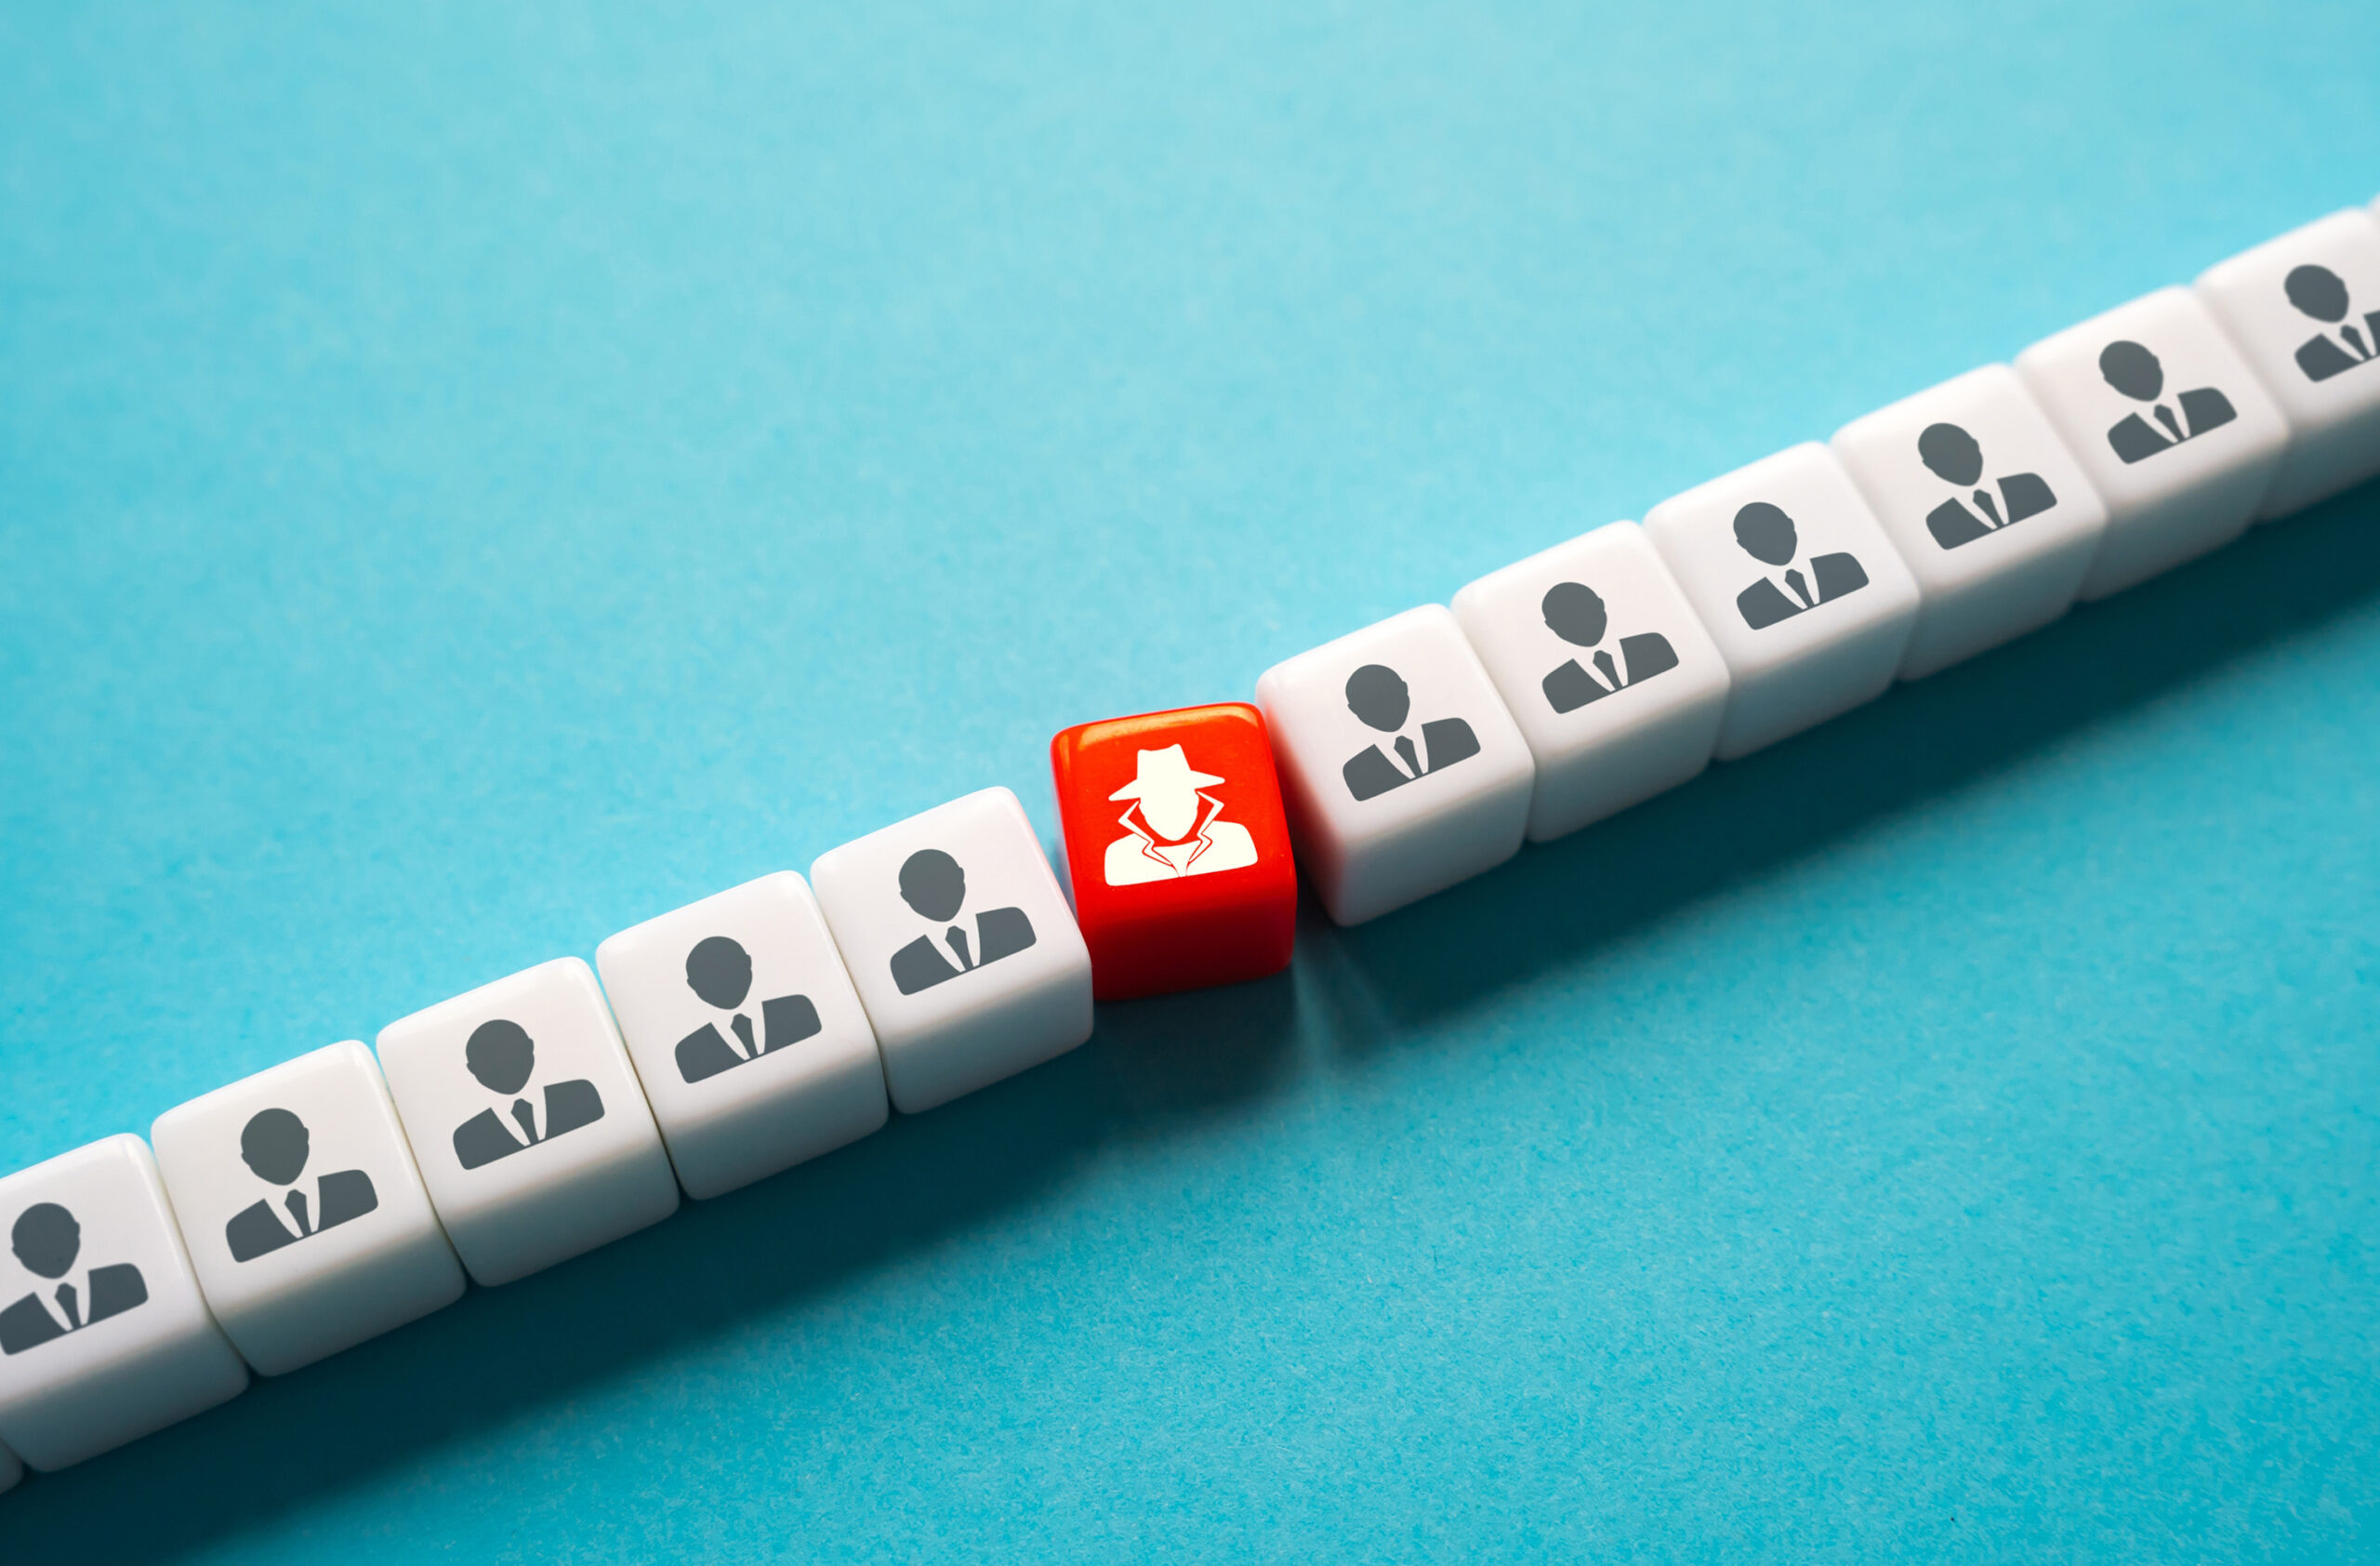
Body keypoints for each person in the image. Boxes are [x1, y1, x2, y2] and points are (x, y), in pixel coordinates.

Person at [224, 1108, 378, 1263]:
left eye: (285, 1141)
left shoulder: (355, 1184)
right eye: (264, 1150)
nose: (278, 1156)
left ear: (305, 1136)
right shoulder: (241, 1230)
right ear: (246, 1159)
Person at [451, 1019, 606, 1171]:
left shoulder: (581, 1094)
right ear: (472, 1069)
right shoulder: (468, 1138)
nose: (502, 1063)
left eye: (509, 1052)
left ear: (530, 1047)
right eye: (487, 1059)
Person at [1102, 744, 1261, 885]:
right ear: (1142, 808)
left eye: (1179, 796)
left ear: (1196, 799)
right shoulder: (1121, 854)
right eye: (1158, 801)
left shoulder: (1233, 837)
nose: (1171, 809)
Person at [1, 1201, 146, 1355]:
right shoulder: (10, 1323)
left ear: (76, 1230)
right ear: (17, 1253)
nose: (50, 1251)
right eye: (35, 1245)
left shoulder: (125, 1278)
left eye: (56, 1237)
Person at [673, 935, 822, 1084]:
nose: (723, 983)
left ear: (748, 963)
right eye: (709, 978)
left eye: (729, 970)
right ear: (692, 985)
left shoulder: (798, 1009)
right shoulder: (689, 1052)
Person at [888, 849, 1037, 995]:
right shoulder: (904, 964)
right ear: (906, 897)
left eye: (943, 881)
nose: (937, 895)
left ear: (960, 875)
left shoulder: (1012, 921)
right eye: (922, 890)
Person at [1340, 663, 1479, 801]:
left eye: (1389, 695)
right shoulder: (1356, 772)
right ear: (1353, 710)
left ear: (1404, 688)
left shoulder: (1455, 731)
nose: (1385, 708)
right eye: (1370, 703)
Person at [1536, 580, 1677, 713]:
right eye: (1567, 618)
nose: (1581, 622)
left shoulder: (1653, 645)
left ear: (1600, 605)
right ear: (1551, 625)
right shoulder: (1556, 685)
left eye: (1585, 611)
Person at [1916, 422, 2056, 550]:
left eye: (1959, 450)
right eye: (1943, 457)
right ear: (1930, 465)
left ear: (1975, 445)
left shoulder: (2030, 485)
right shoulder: (1941, 521)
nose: (1957, 461)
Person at [1732, 502, 1868, 630]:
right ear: (1743, 544)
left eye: (1775, 529)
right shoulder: (1751, 602)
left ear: (1790, 524)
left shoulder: (1843, 564)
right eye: (1758, 538)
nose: (1771, 541)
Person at [2099, 339, 2235, 463]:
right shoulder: (2122, 436)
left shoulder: (2209, 399)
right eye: (2126, 376)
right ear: (2111, 382)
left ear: (2155, 362)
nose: (2139, 379)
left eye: (2142, 368)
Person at [2284, 263, 2380, 383]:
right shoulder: (2308, 357)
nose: (2323, 300)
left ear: (2340, 284)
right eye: (2310, 297)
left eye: (2326, 289)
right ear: (2296, 304)